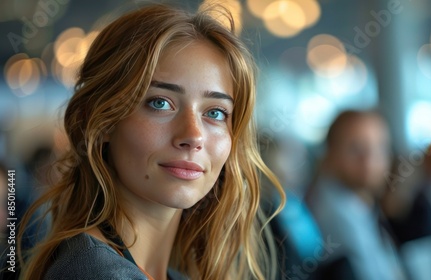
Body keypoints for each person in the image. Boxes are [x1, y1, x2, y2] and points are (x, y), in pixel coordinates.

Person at [16, 4, 285, 280]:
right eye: (160, 103)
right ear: (104, 121)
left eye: (215, 112)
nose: (193, 136)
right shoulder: (95, 273)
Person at [305, 110, 404, 280]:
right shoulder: (335, 215)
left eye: (380, 148)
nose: (370, 161)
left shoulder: (358, 205)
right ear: (330, 152)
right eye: (356, 149)